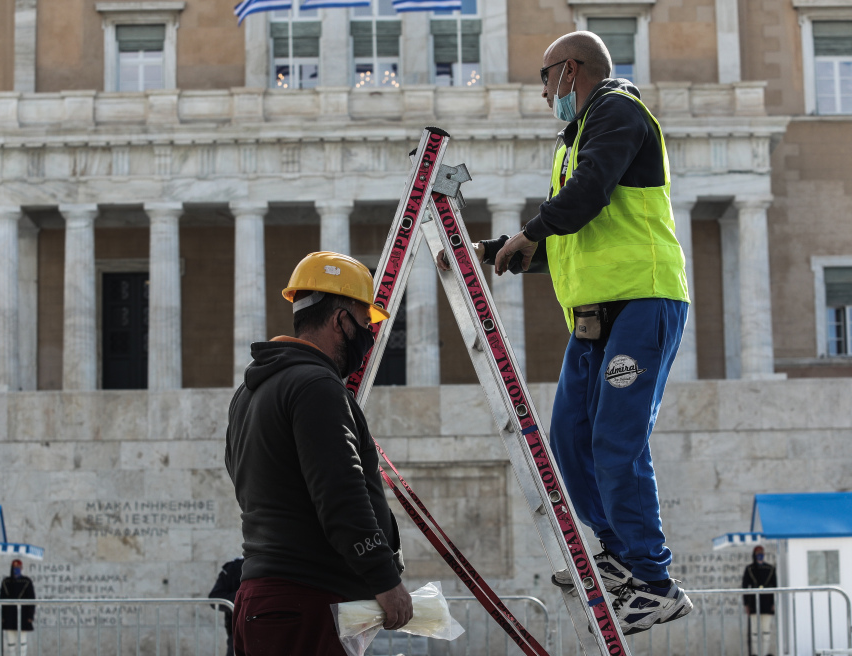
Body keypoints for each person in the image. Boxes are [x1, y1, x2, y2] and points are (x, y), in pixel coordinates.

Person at [441, 31, 692, 635]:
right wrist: (505, 250)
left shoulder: (617, 111)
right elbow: (573, 237)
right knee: (570, 439)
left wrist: (531, 230)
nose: (544, 93)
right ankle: (617, 555)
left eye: (545, 80)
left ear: (570, 72)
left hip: (643, 298)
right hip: (594, 314)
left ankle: (655, 583)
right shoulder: (573, 138)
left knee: (615, 440)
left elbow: (585, 197)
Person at [225, 251, 413, 656]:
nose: (368, 336)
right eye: (365, 324)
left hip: (266, 600)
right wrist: (384, 579)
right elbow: (340, 492)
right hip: (305, 602)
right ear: (340, 320)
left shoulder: (251, 391)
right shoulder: (315, 386)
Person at [743, 546, 777, 656]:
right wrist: (746, 604)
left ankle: (764, 652)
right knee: (754, 632)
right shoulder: (749, 569)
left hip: (767, 603)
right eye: (758, 553)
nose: (760, 554)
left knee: (766, 632)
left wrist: (773, 603)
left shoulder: (770, 569)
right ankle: (757, 653)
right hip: (753, 603)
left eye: (761, 552)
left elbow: (775, 587)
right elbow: (744, 587)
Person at [208, 556, 244, 655]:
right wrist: (243, 596)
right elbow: (215, 599)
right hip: (239, 633)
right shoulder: (234, 568)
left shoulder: (274, 565)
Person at [0, 559, 35, 656]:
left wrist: (30, 616)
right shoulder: (6, 582)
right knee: (11, 643)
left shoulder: (26, 581)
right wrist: (1, 616)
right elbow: (1, 599)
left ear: (21, 568)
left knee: (23, 642)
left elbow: (32, 599)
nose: (16, 570)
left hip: (23, 615)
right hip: (9, 615)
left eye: (18, 568)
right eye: (14, 568)